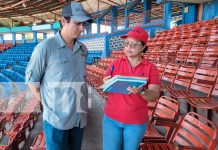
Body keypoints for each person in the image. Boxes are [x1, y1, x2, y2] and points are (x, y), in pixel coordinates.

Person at [25, 2, 92, 150]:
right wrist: (51, 104)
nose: (82, 28)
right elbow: (32, 81)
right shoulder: (45, 48)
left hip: (79, 117)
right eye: (77, 23)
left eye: (84, 24)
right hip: (56, 121)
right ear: (63, 21)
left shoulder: (83, 49)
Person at [102, 26, 160, 150]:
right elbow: (105, 87)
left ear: (144, 47)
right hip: (111, 118)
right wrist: (106, 83)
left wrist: (142, 91)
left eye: (134, 44)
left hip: (136, 121)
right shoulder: (114, 64)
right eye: (127, 43)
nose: (129, 47)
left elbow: (155, 95)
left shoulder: (151, 68)